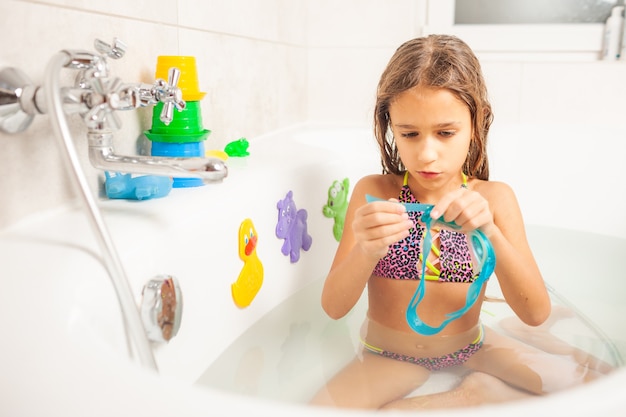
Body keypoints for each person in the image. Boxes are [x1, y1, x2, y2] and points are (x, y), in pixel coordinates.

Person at [309, 34, 604, 410]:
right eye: (409, 134)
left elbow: (535, 313)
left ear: (476, 121)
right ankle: (475, 397)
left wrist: (490, 233)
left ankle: (477, 393)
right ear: (390, 126)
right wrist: (367, 250)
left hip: (471, 347)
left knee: (596, 385)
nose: (427, 153)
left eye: (445, 133)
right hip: (387, 354)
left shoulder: (494, 199)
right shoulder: (375, 192)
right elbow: (334, 308)